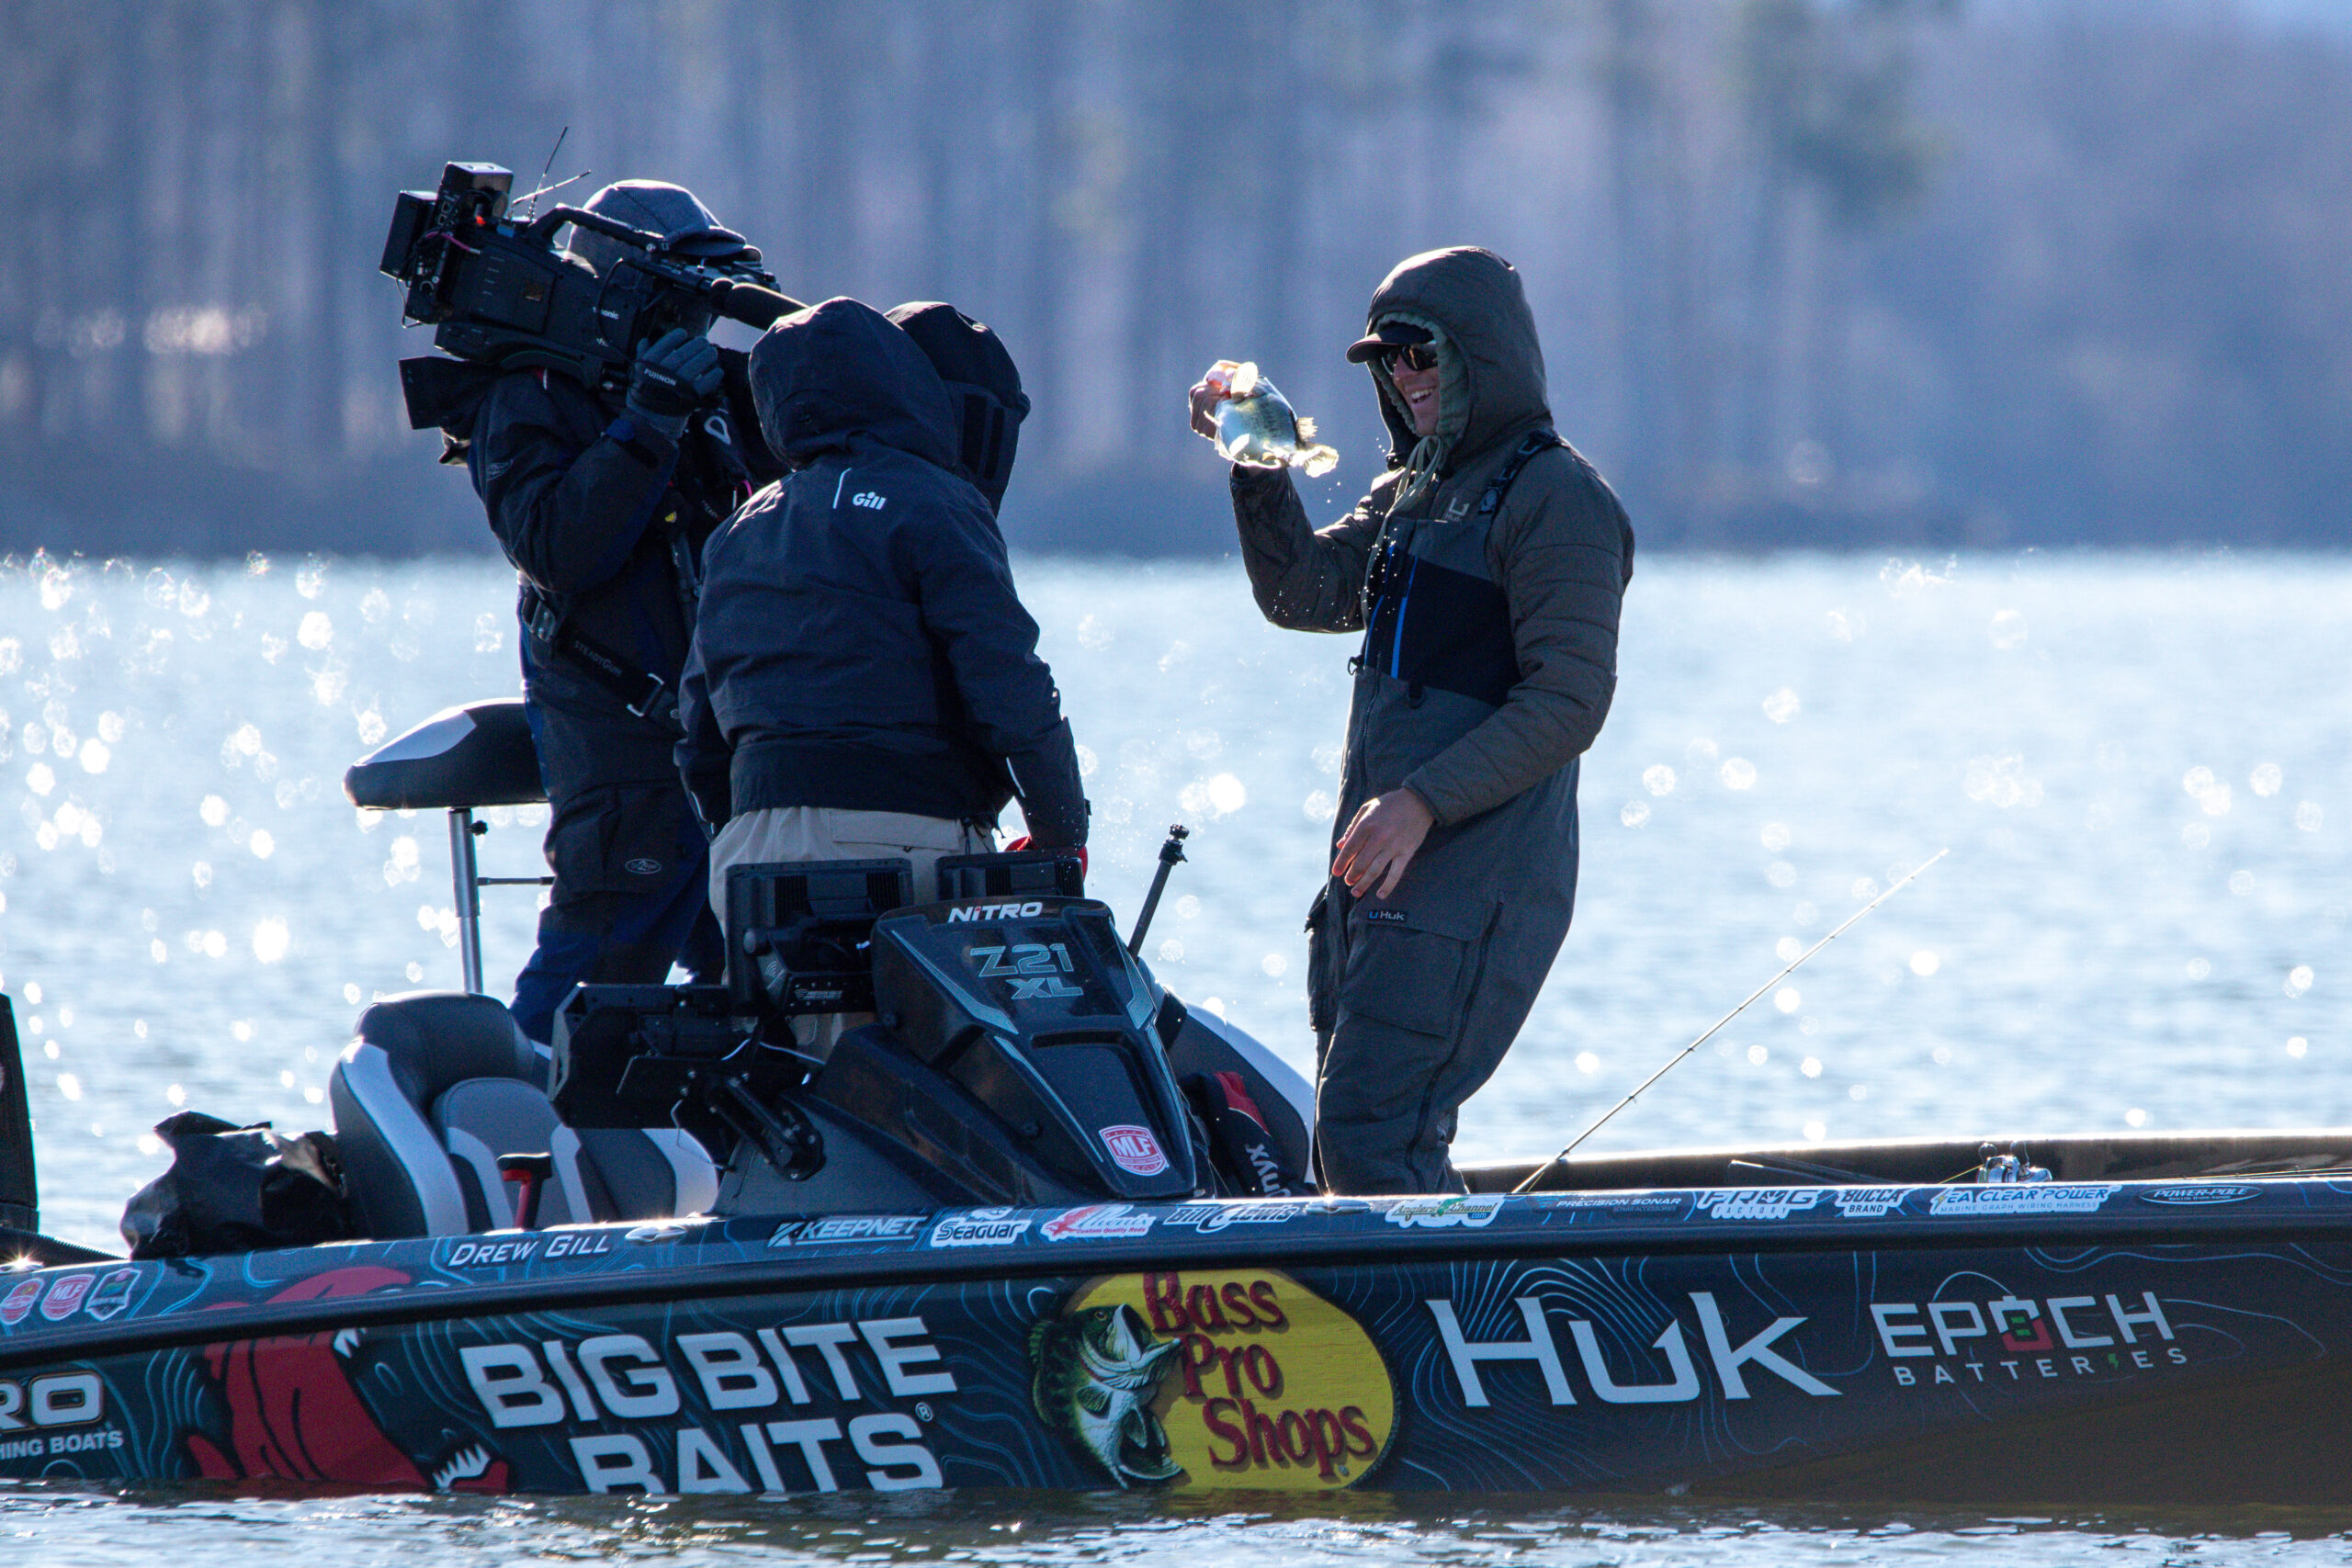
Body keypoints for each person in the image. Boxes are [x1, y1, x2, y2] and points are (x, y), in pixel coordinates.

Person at [1188, 245, 1634, 1195]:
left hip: (1469, 892)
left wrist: (1422, 802)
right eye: (1386, 359)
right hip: (1376, 892)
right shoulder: (1411, 497)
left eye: (1421, 354)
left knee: (1370, 1139)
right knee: (1353, 1143)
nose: (1402, 375)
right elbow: (1303, 592)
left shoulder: (1558, 500)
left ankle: (1459, 1337)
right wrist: (1256, 461)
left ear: (1483, 356)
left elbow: (1570, 701)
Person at [677, 296, 1086, 1049]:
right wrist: (1064, 836)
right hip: (893, 851)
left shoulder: (739, 530)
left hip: (747, 860)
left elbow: (699, 735)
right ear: (904, 385)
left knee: (793, 1099)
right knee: (914, 1099)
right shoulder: (933, 502)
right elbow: (1012, 688)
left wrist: (746, 833)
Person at [437, 179, 784, 1042]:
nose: (695, 330)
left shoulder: (706, 396)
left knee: (766, 982)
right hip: (623, 753)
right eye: (676, 304)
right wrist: (647, 424)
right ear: (624, 293)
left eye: (702, 312)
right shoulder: (530, 396)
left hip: (719, 753)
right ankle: (500, 1134)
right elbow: (555, 547)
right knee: (593, 970)